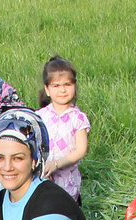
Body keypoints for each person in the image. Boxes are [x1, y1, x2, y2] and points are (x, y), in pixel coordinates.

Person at [36, 56, 90, 202]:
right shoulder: (39, 116)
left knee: (64, 212)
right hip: (42, 177)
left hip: (67, 181)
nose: (63, 90)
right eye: (56, 85)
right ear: (47, 89)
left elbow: (80, 150)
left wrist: (56, 164)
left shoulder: (78, 118)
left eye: (67, 84)